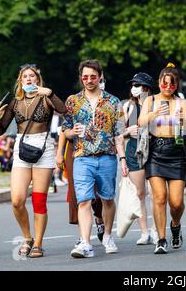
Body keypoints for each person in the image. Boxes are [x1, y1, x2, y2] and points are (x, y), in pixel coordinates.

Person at [0, 64, 66, 258]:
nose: (29, 79)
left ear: (38, 80)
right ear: (20, 81)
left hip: (44, 148)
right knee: (17, 200)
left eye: (32, 76)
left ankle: (38, 243)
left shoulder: (46, 99)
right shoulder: (15, 103)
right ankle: (27, 237)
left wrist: (49, 92)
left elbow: (63, 109)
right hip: (21, 148)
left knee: (39, 201)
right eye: (25, 77)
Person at [62, 59, 127, 258]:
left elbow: (119, 133)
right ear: (81, 78)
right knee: (83, 201)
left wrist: (123, 159)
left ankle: (107, 235)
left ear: (100, 77)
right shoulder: (73, 101)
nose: (89, 80)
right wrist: (71, 132)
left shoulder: (113, 101)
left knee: (107, 199)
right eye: (85, 77)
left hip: (106, 157)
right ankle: (85, 243)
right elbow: (65, 129)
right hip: (82, 157)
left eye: (93, 76)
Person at [138, 63, 186, 254]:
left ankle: (175, 224)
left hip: (176, 153)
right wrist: (154, 114)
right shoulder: (150, 100)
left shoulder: (182, 103)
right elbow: (140, 122)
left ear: (176, 85)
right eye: (164, 83)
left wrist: (183, 119)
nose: (167, 87)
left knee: (176, 203)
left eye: (171, 84)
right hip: (155, 152)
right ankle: (161, 239)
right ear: (159, 82)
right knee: (159, 197)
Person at [119, 72, 156, 244]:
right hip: (134, 151)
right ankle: (144, 232)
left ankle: (157, 229)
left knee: (157, 194)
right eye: (132, 85)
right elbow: (118, 133)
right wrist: (128, 131)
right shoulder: (127, 106)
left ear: (146, 88)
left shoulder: (156, 104)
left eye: (137, 85)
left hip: (154, 149)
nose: (134, 88)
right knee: (140, 193)